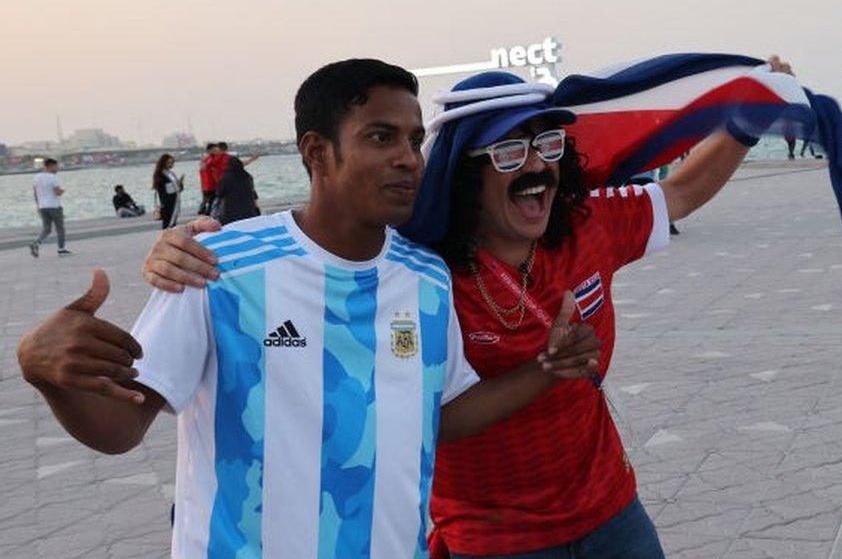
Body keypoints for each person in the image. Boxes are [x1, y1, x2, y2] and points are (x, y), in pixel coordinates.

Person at [137, 56, 798, 558]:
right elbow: (331, 253)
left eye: (547, 148)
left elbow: (677, 196)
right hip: (488, 538)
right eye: (510, 150)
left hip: (613, 516)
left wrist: (743, 122)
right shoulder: (418, 268)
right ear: (465, 169)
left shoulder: (588, 224)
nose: (535, 166)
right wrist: (189, 244)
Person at [15, 59, 600, 559]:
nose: (408, 158)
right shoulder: (216, 266)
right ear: (317, 152)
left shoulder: (426, 277)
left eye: (414, 140)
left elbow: (440, 413)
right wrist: (45, 373)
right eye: (380, 137)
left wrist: (547, 367)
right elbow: (120, 427)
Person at [29, 158, 71, 257]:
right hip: (54, 206)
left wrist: (38, 206)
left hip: (43, 206)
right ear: (50, 166)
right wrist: (63, 190)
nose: (58, 168)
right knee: (60, 228)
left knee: (46, 229)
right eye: (56, 166)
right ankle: (61, 249)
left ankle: (36, 243)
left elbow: (35, 193)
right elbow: (57, 192)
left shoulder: (37, 177)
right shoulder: (53, 177)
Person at [213, 156, 259, 224]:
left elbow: (220, 193)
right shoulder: (247, 176)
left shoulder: (226, 177)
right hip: (249, 210)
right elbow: (253, 193)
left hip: (231, 211)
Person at [152, 154, 182, 229]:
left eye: (172, 162)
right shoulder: (160, 174)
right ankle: (167, 238)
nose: (171, 164)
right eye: (168, 162)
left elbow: (176, 187)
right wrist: (176, 185)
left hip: (175, 200)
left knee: (173, 221)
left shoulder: (171, 173)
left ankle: (170, 238)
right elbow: (164, 189)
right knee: (168, 223)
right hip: (167, 202)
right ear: (163, 163)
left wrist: (180, 185)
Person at [197, 143, 219, 215]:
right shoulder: (209, 159)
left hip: (207, 184)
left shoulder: (206, 159)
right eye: (214, 149)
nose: (216, 151)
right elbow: (204, 168)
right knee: (210, 200)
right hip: (209, 184)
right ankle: (207, 212)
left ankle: (203, 210)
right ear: (209, 150)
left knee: (207, 199)